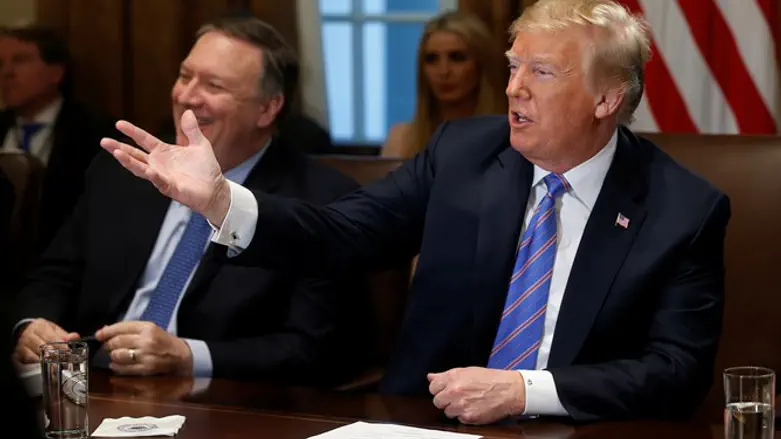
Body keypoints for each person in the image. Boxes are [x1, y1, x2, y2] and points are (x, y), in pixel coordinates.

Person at [101, 0, 730, 425]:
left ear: (607, 97)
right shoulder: (462, 153)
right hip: (422, 424)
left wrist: (524, 391)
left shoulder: (683, 209)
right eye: (514, 67)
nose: (514, 88)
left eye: (541, 72)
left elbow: (675, 371)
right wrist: (219, 200)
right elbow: (337, 235)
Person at [11, 17, 366, 385]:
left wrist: (188, 355)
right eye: (184, 77)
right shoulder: (124, 171)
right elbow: (54, 274)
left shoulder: (321, 199)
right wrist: (33, 324)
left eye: (214, 85)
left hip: (220, 404)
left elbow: (314, 347)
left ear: (267, 109)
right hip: (91, 385)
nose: (187, 97)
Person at [0, 25, 118, 255]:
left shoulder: (98, 133)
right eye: (0, 63)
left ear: (56, 72)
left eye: (20, 60)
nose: (6, 73)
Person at [382, 11, 506, 159]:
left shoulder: (509, 138)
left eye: (457, 57)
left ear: (481, 64)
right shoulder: (401, 139)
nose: (443, 71)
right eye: (432, 59)